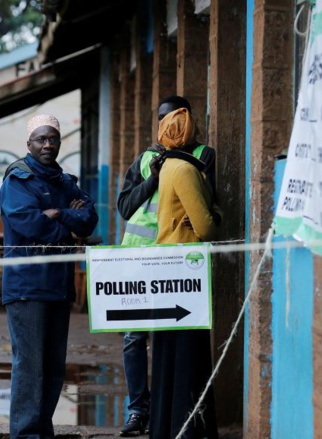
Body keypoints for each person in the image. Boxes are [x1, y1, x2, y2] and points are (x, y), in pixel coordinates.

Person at [116, 96, 216, 436]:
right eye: (161, 118)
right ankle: (138, 411)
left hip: (177, 261)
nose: (166, 126)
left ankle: (168, 412)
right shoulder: (147, 159)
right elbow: (126, 207)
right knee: (134, 337)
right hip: (139, 258)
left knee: (168, 339)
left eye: (171, 118)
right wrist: (153, 178)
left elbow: (209, 205)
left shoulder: (203, 157)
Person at [0, 114, 98, 439]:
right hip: (27, 286)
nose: (47, 144)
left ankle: (42, 431)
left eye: (52, 138)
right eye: (41, 139)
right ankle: (26, 434)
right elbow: (27, 223)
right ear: (28, 143)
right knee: (30, 366)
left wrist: (62, 214)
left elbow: (89, 218)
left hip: (58, 285)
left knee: (54, 366)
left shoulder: (65, 181)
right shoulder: (18, 179)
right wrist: (68, 231)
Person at [149, 107, 221, 439]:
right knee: (188, 356)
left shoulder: (165, 167)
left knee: (166, 356)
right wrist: (214, 217)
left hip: (167, 267)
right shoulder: (185, 170)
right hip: (185, 272)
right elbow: (205, 227)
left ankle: (164, 427)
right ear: (188, 134)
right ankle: (187, 430)